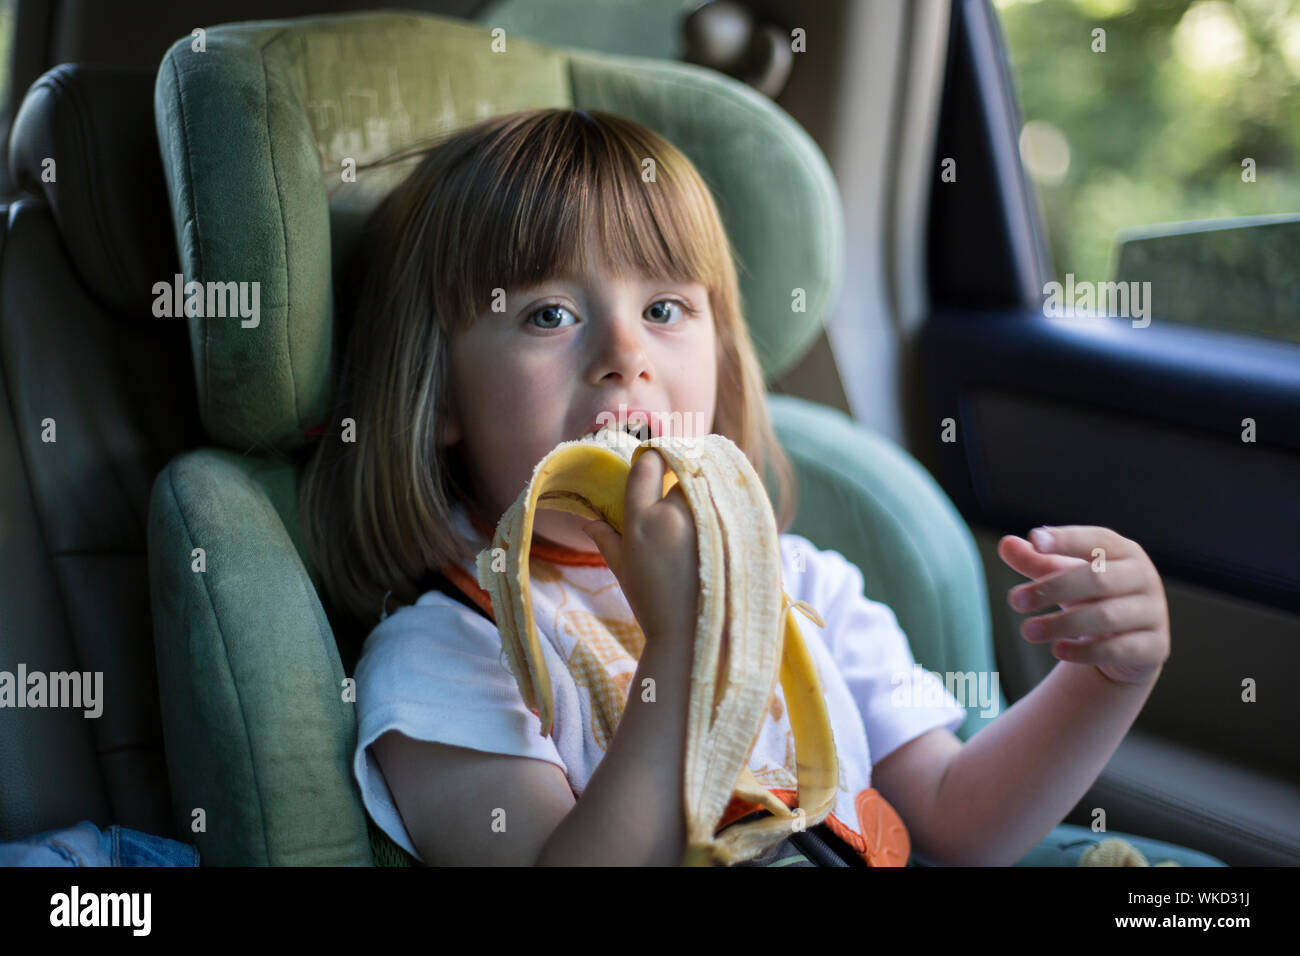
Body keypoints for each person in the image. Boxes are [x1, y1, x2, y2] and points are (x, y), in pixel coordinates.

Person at [298, 107, 1172, 867]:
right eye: (548, 315)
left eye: (665, 309)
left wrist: (1105, 679)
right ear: (441, 393)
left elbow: (955, 817)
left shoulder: (807, 586)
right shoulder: (444, 657)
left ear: (718, 355)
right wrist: (685, 646)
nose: (624, 355)